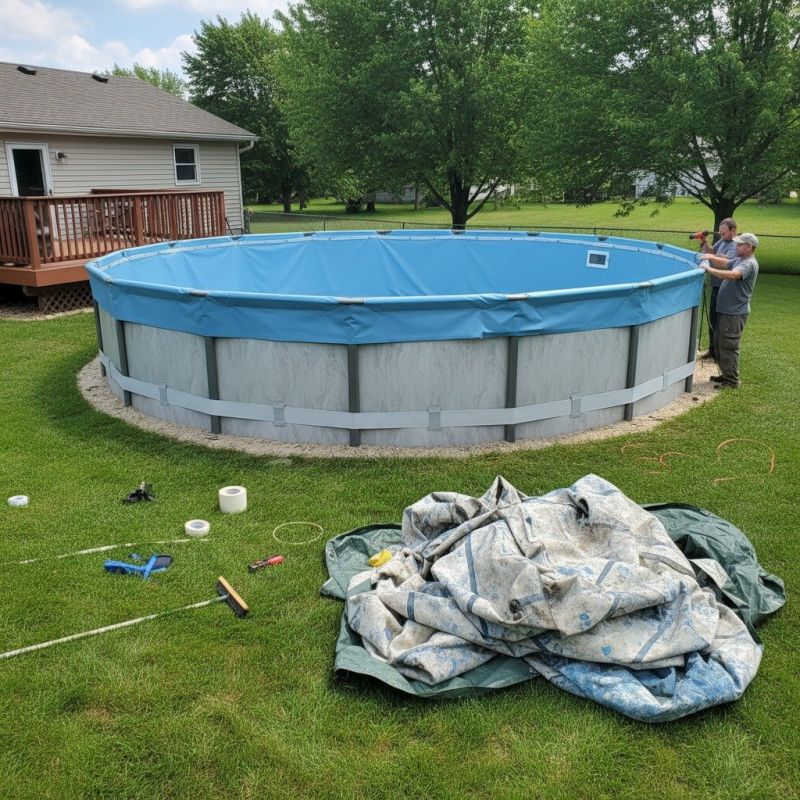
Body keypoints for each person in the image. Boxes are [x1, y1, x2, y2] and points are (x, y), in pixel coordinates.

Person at [695, 233, 759, 389]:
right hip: (727, 311)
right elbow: (725, 262)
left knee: (729, 346)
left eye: (739, 245)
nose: (735, 247)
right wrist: (707, 257)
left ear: (749, 247)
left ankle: (731, 382)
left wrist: (708, 268)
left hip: (734, 314)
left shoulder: (748, 263)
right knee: (720, 344)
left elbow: (732, 275)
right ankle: (725, 375)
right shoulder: (740, 259)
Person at [699, 218, 738, 359]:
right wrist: (704, 242)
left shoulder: (735, 246)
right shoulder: (723, 241)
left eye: (724, 233)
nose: (721, 235)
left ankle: (721, 353)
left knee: (721, 323)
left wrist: (712, 258)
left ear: (733, 230)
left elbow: (726, 264)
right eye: (720, 233)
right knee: (713, 320)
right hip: (716, 287)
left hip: (725, 289)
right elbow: (711, 251)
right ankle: (713, 351)